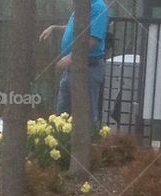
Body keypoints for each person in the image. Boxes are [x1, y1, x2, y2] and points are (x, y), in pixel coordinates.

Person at [40, 0, 110, 128]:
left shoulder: (99, 7)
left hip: (89, 68)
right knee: (63, 114)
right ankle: (63, 145)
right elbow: (74, 29)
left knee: (86, 114)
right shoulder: (82, 6)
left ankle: (88, 145)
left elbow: (93, 39)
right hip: (70, 70)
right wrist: (54, 28)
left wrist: (69, 58)